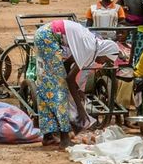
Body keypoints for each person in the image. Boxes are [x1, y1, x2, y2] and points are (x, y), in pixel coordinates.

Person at [29, 17, 121, 145]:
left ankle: (48, 135)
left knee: (47, 87)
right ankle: (65, 138)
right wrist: (80, 109)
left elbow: (67, 65)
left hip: (45, 35)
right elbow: (69, 79)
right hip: (47, 37)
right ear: (105, 52)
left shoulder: (90, 46)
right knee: (59, 90)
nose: (102, 63)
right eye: (106, 60)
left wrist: (77, 90)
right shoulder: (89, 48)